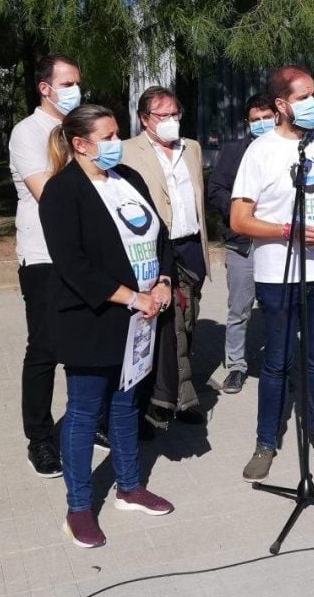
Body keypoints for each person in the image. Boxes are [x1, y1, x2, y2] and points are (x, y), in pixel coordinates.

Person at [39, 104, 176, 548]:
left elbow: (160, 236)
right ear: (80, 144)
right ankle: (78, 508)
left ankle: (129, 486)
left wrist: (165, 282)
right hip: (92, 319)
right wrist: (130, 295)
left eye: (118, 133)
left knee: (125, 405)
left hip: (140, 318)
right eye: (109, 136)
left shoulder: (128, 180)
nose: (118, 142)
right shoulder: (63, 192)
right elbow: (73, 266)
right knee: (82, 414)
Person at [231, 65, 314, 482]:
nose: (313, 103)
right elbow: (238, 219)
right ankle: (265, 443)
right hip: (278, 274)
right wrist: (287, 231)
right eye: (303, 97)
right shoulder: (261, 151)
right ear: (282, 105)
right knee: (277, 363)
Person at [7, 54, 81, 478]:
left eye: (76, 83)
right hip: (44, 256)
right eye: (67, 83)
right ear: (45, 88)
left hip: (84, 254)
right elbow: (47, 194)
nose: (74, 90)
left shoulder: (79, 128)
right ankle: (39, 439)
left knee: (83, 343)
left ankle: (86, 419)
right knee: (46, 348)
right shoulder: (27, 132)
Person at [121, 86, 209, 427]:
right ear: (145, 119)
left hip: (190, 247)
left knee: (186, 323)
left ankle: (176, 398)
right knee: (156, 329)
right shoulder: (129, 152)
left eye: (175, 114)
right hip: (154, 249)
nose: (171, 121)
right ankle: (154, 403)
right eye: (163, 115)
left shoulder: (192, 149)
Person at [206, 93, 277, 394]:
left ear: (278, 115)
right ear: (248, 123)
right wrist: (241, 208)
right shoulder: (235, 151)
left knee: (278, 309)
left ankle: (278, 366)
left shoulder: (289, 150)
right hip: (242, 245)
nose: (261, 124)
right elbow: (215, 190)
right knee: (239, 308)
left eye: (266, 118)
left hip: (277, 245)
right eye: (255, 120)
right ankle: (236, 366)